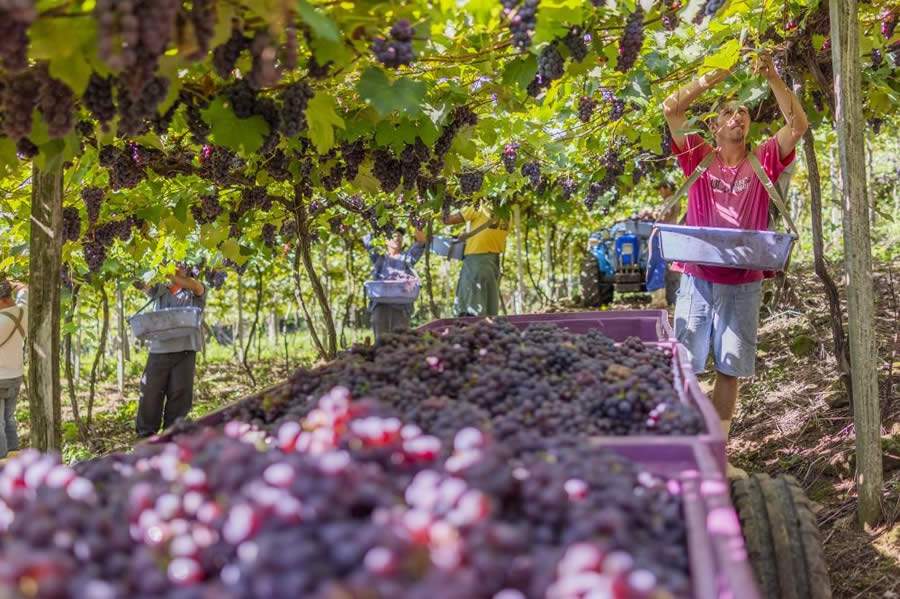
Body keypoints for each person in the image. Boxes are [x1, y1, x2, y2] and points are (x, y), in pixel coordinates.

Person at [662, 53, 808, 478]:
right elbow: (672, 108)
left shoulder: (763, 158)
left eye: (743, 111)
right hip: (697, 279)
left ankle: (716, 455)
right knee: (686, 367)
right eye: (728, 112)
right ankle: (687, 447)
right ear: (713, 125)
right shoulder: (698, 157)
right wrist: (717, 74)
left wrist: (773, 75)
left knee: (730, 370)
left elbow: (797, 125)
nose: (737, 117)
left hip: (744, 281)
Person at [135, 263, 206, 438]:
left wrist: (165, 274)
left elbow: (195, 286)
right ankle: (146, 435)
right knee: (150, 393)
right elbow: (140, 283)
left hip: (185, 351)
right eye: (174, 264)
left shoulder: (195, 289)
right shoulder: (159, 289)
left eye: (181, 265)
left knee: (179, 395)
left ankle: (172, 435)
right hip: (159, 349)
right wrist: (139, 273)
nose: (176, 268)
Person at [443, 204, 509, 317]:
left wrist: (442, 200)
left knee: (470, 310)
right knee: (488, 309)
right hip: (493, 262)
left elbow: (447, 220)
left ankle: (471, 332)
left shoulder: (479, 206)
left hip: (476, 262)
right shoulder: (507, 212)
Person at [362, 227, 427, 342]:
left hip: (401, 306)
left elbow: (421, 242)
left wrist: (418, 222)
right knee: (381, 341)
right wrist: (377, 221)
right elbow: (367, 239)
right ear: (386, 240)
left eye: (400, 236)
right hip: (380, 305)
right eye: (394, 236)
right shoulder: (379, 258)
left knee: (401, 341)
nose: (398, 238)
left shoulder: (407, 258)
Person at [0, 278, 27, 460]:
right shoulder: (23, 312)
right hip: (15, 377)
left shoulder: (1, 321)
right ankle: (14, 460)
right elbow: (25, 294)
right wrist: (22, 287)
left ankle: (2, 462)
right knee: (9, 419)